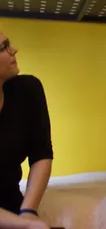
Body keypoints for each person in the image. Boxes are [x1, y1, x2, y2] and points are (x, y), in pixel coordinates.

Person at [0, 32, 53, 229]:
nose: (13, 50)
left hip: (12, 203)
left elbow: (41, 153)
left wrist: (28, 211)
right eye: (3, 47)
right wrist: (25, 225)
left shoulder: (27, 90)